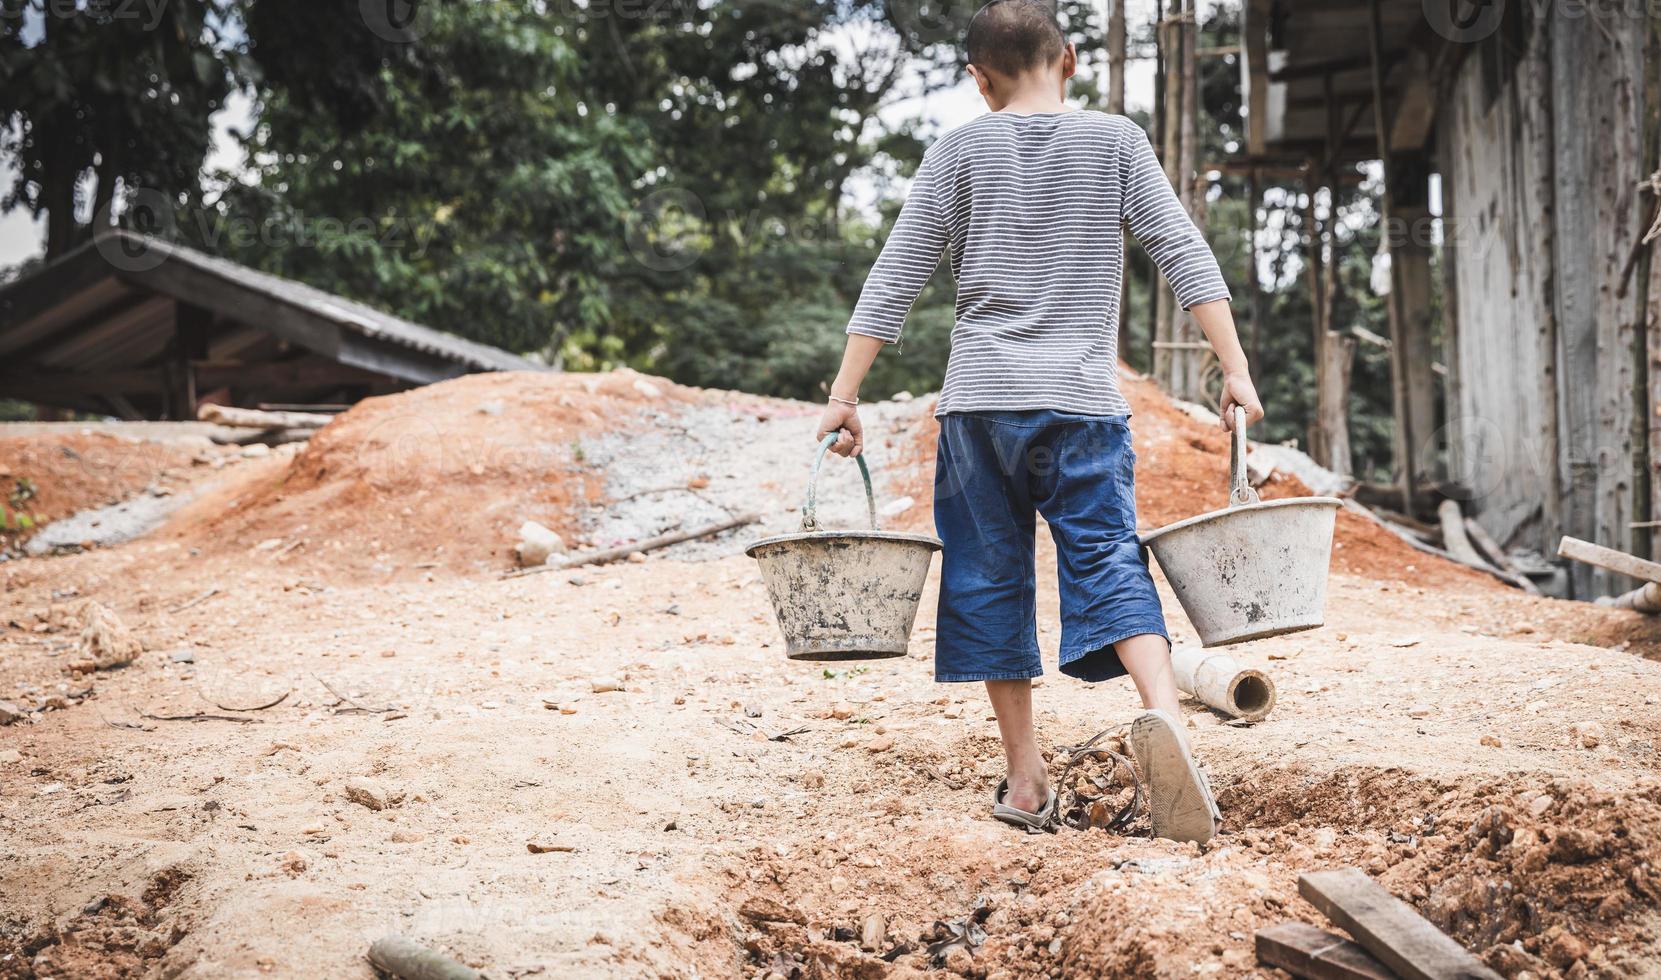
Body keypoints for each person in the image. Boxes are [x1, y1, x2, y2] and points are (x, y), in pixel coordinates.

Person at [814, 0, 1263, 844]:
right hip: (1082, 401)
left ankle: (1025, 780)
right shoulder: (1116, 141)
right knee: (1104, 555)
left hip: (980, 405)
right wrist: (1233, 371)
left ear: (977, 80)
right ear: (1067, 62)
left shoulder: (958, 149)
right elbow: (1181, 251)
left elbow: (894, 277)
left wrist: (845, 396)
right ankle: (1164, 721)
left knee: (986, 573)